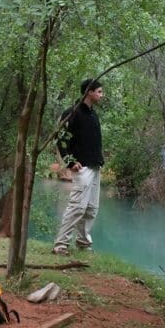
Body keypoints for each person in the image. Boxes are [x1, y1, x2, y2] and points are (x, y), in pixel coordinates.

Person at [52, 78, 104, 256]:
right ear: (89, 92)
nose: (101, 95)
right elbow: (60, 138)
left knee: (91, 209)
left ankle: (83, 242)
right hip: (81, 168)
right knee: (77, 207)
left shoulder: (93, 114)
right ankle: (60, 245)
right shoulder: (73, 112)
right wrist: (70, 161)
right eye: (99, 91)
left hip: (95, 166)